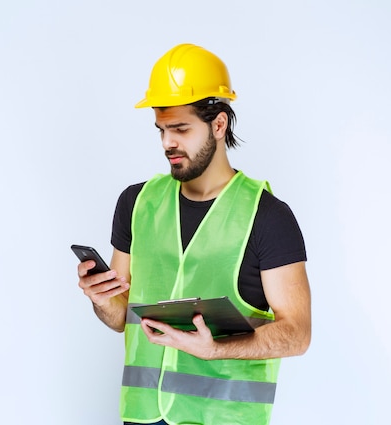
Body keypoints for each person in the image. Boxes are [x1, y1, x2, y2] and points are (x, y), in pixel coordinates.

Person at [77, 43, 311, 425]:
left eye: (181, 129)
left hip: (224, 418)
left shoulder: (267, 216)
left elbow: (297, 335)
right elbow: (122, 316)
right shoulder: (137, 203)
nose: (168, 142)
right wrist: (102, 299)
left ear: (219, 125)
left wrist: (217, 350)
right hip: (142, 416)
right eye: (162, 129)